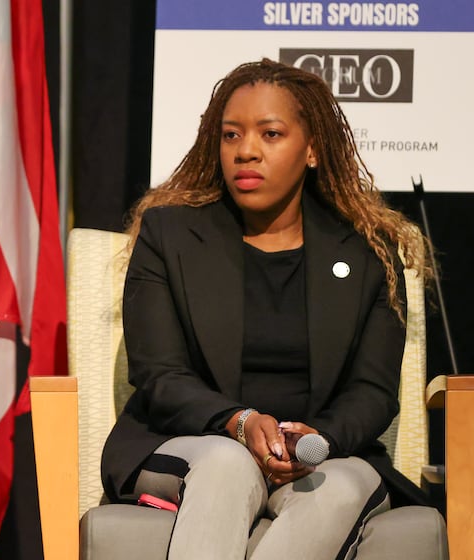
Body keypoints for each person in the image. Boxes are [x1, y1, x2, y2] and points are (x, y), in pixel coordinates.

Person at [100, 58, 436, 559]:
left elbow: (373, 391)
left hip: (320, 455)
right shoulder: (169, 236)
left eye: (270, 134)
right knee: (228, 465)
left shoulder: (368, 252)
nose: (246, 151)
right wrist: (238, 422)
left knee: (339, 487)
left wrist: (318, 439)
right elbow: (160, 375)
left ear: (313, 149)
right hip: (194, 441)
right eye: (231, 136)